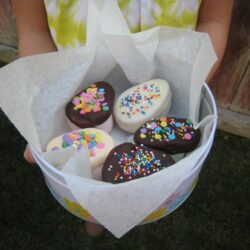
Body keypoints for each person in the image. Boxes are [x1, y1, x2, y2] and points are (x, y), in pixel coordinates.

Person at [11, 0, 234, 236]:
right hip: (75, 91)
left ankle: (115, 207)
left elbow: (214, 21)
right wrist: (43, 108)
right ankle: (97, 214)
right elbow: (34, 29)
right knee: (93, 186)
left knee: (138, 183)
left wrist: (188, 86)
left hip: (169, 96)